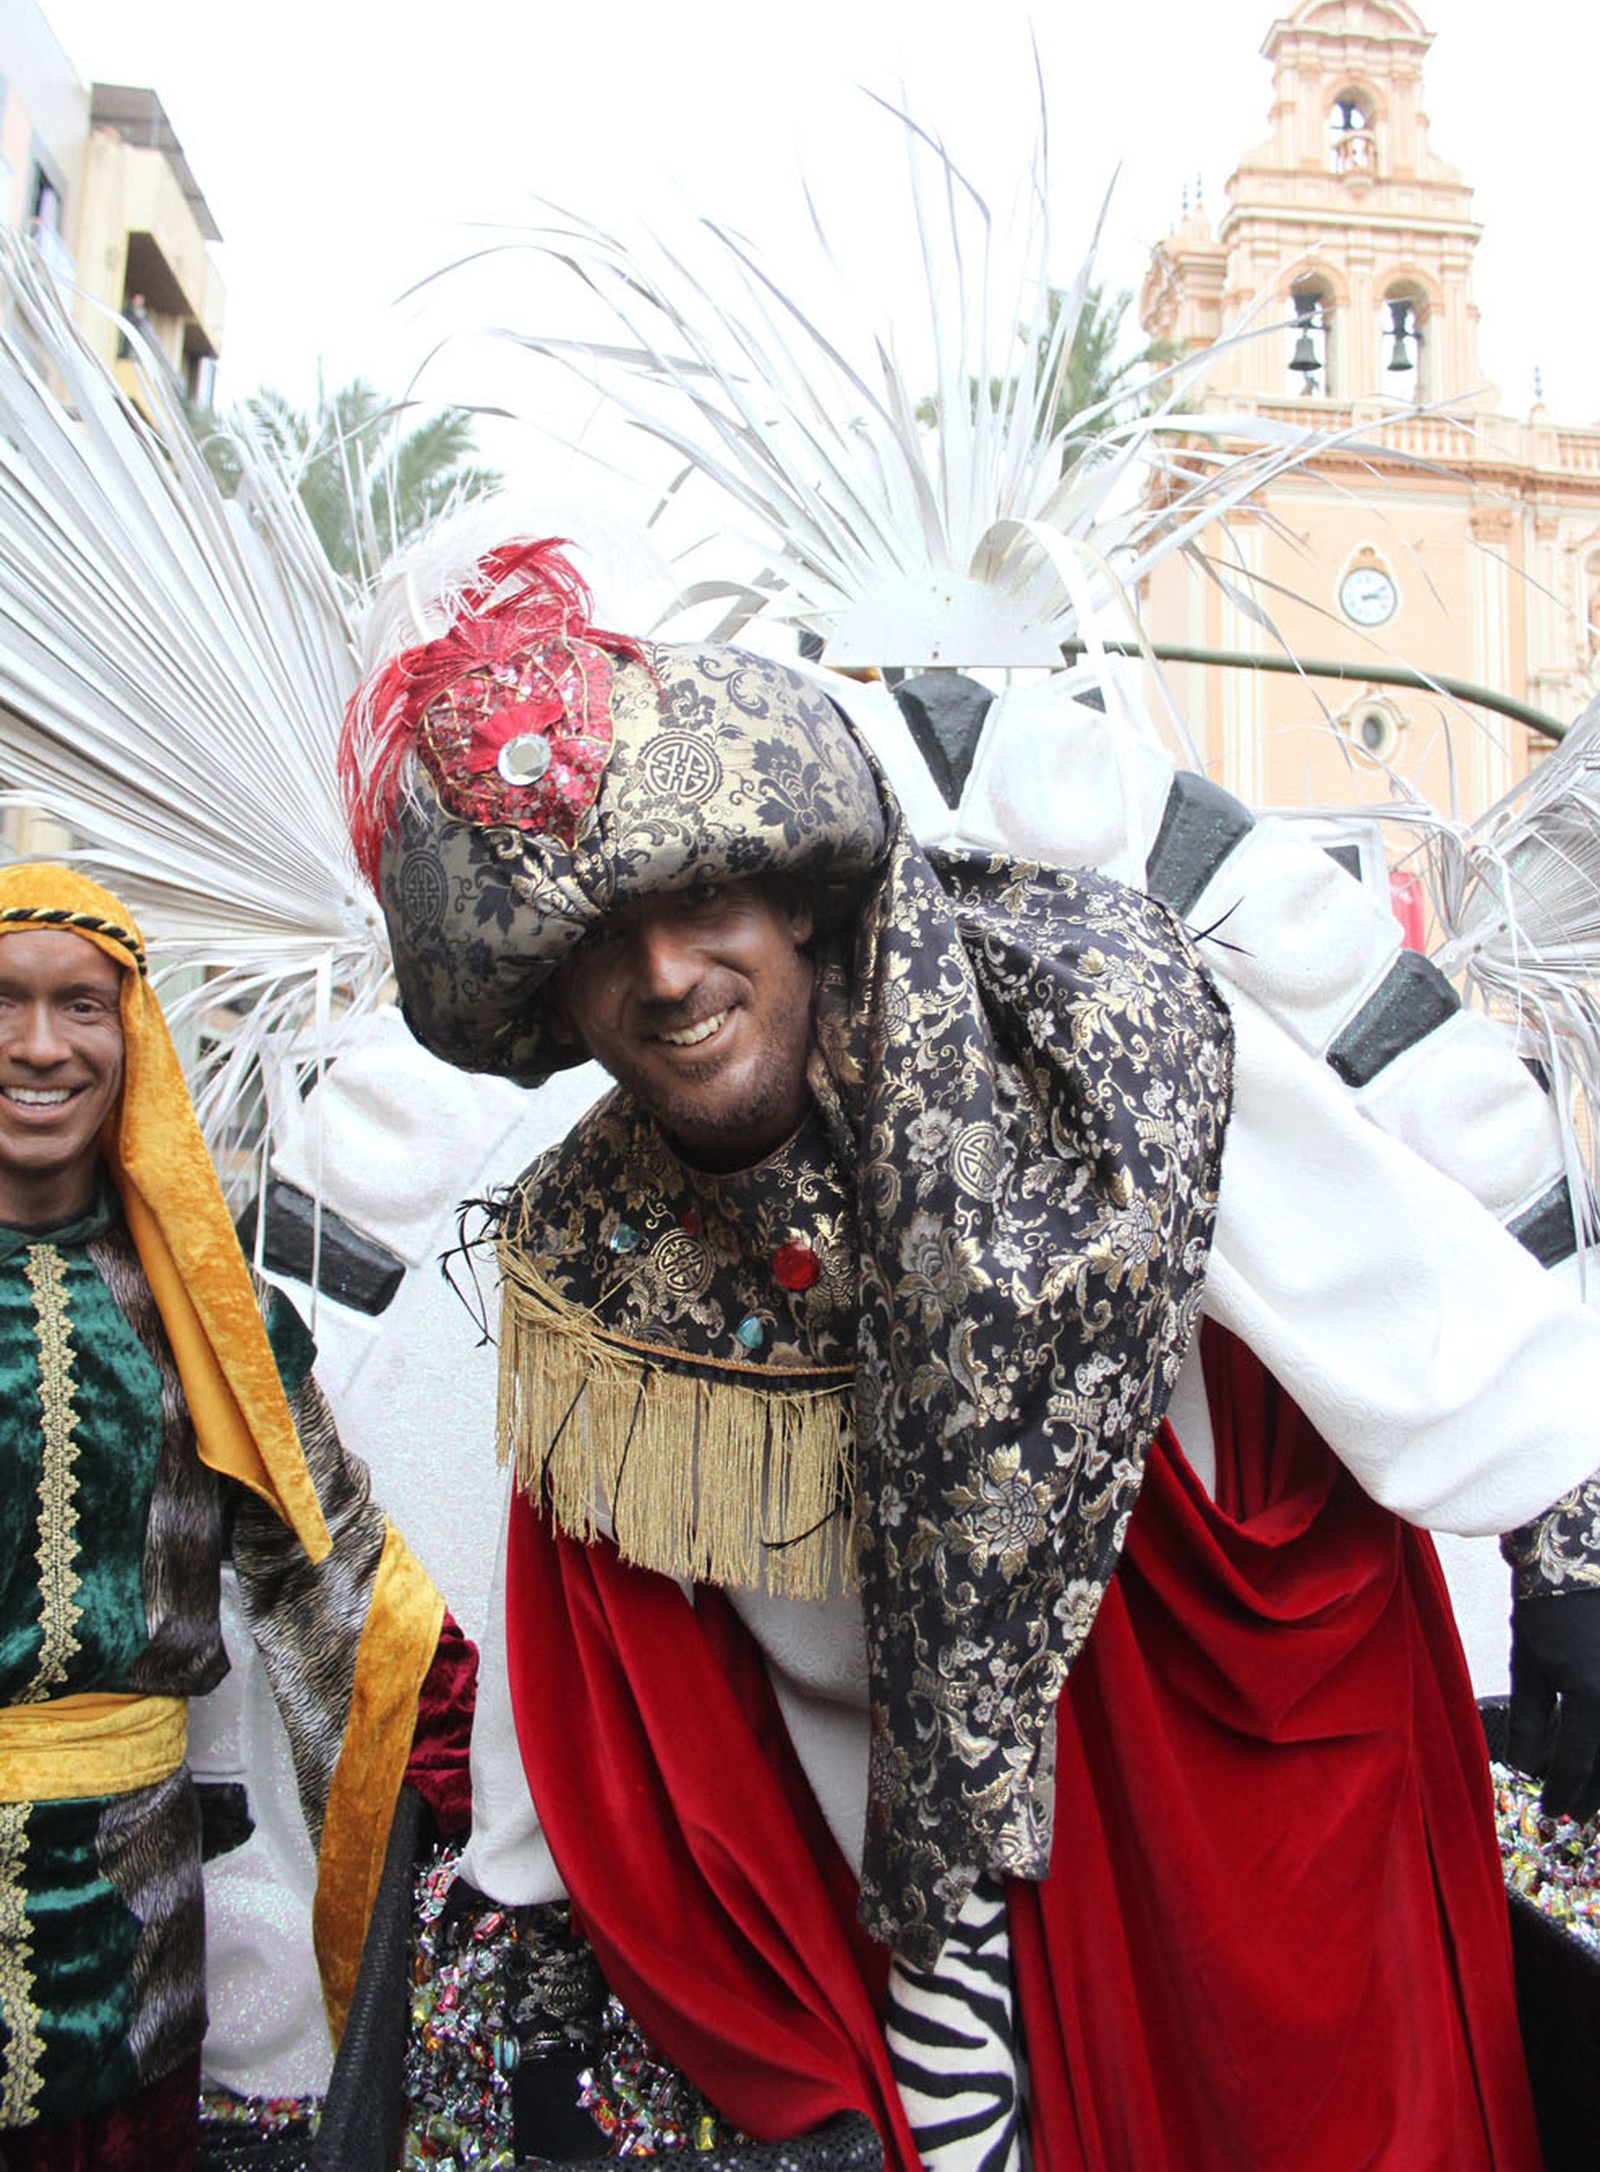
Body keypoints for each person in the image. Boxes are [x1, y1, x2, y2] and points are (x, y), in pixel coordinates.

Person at [342, 539, 1600, 2171]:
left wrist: (1562, 1533)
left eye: (699, 901)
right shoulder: (600, 1274)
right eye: (599, 944)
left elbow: (1420, 1302)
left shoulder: (1088, 1025)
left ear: (793, 886)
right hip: (929, 1925)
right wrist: (538, 1912)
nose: (665, 977)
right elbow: (598, 1672)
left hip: (1244, 1804)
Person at [0, 864, 476, 2168]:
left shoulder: (205, 1318)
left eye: (82, 1006)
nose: (41, 1044)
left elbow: (330, 1577)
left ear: (132, 1033)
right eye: (5, 1001)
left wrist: (502, 1751)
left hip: (134, 1917)